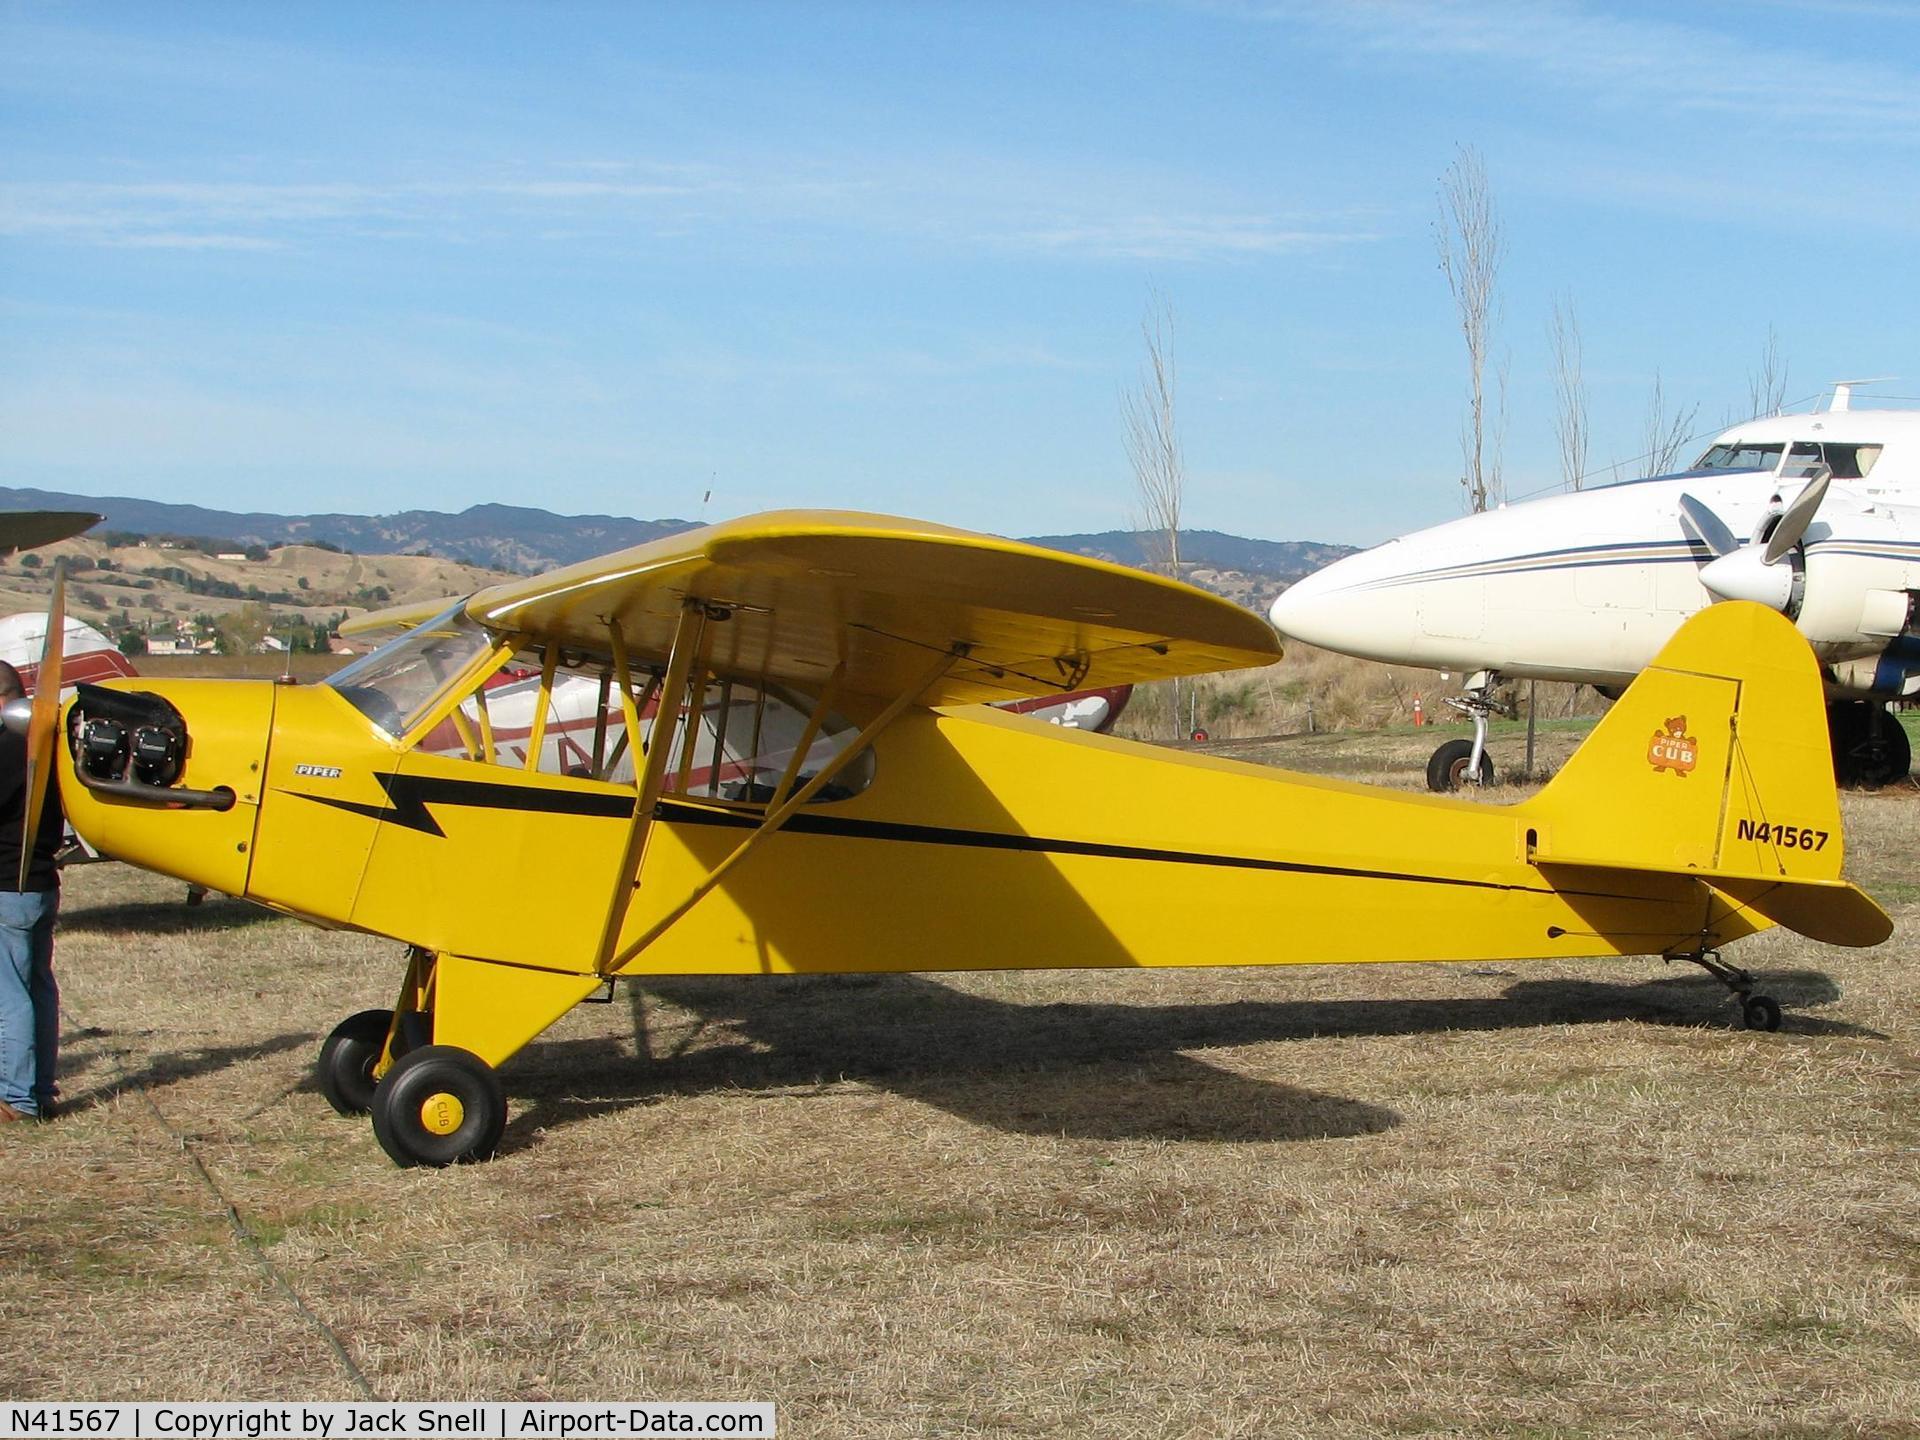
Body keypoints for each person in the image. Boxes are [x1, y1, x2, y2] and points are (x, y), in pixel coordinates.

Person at [0, 659, 62, 1122]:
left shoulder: (7, 747)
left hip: (7, 884)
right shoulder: (44, 744)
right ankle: (39, 1088)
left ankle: (16, 1098)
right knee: (37, 986)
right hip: (39, 882)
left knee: (11, 993)